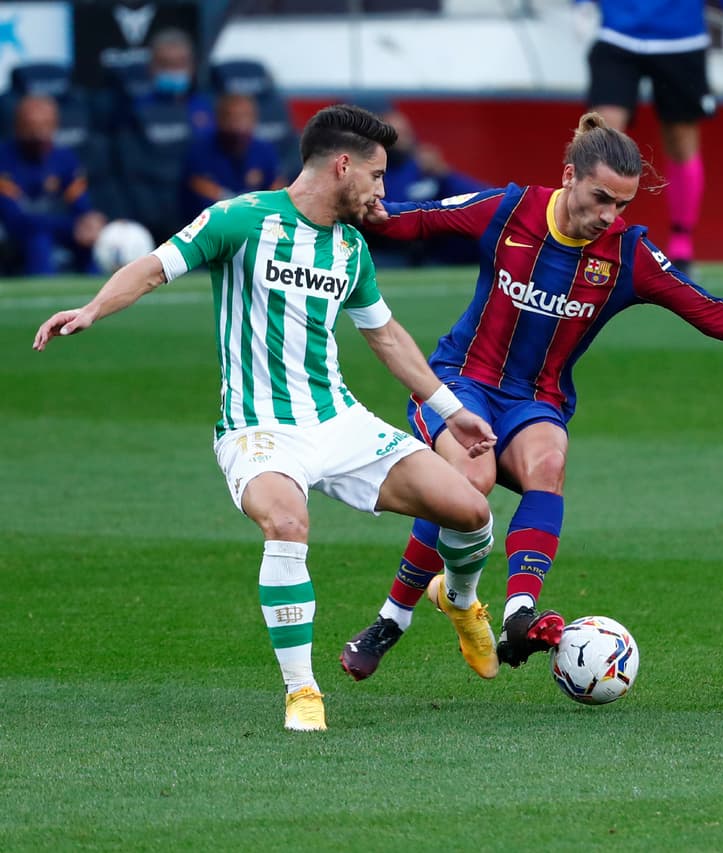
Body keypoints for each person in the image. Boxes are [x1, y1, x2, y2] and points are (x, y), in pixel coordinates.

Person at [338, 111, 723, 682]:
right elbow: (410, 221)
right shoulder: (509, 210)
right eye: (601, 199)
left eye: (622, 205)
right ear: (569, 176)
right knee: (472, 477)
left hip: (536, 399)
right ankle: (395, 618)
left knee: (549, 461)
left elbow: (708, 310)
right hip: (460, 379)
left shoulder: (628, 254)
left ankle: (519, 614)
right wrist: (339, 204)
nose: (609, 216)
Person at [32, 104, 502, 733]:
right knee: (286, 523)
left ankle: (460, 600)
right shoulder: (240, 219)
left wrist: (450, 411)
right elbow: (153, 267)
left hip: (338, 421)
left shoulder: (350, 248)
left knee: (471, 510)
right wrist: (92, 308)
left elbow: (386, 337)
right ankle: (302, 690)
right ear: (342, 166)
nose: (382, 191)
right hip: (258, 429)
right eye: (377, 175)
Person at [574, 0, 723, 271]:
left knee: (681, 141)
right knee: (602, 139)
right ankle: (592, 236)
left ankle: (682, 245)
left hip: (681, 37)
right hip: (617, 31)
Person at [0, 94, 106, 276]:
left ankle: (96, 284)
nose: (38, 132)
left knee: (90, 234)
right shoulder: (4, 158)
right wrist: (72, 225)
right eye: (31, 125)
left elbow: (80, 203)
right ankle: (42, 286)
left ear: (55, 125)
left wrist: (89, 221)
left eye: (45, 125)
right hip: (17, 233)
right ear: (18, 126)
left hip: (59, 226)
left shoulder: (65, 158)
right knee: (38, 237)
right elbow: (14, 217)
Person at [370, 109, 488, 267]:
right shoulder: (374, 168)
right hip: (389, 251)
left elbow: (478, 196)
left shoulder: (424, 165)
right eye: (396, 133)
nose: (402, 138)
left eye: (405, 132)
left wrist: (444, 174)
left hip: (432, 250)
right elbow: (388, 208)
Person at [180, 93, 285, 221]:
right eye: (231, 117)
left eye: (245, 116)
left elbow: (277, 185)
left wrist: (267, 208)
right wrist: (233, 202)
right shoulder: (200, 148)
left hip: (256, 219)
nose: (238, 124)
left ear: (255, 119)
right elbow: (198, 183)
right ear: (219, 119)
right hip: (212, 221)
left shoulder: (264, 149)